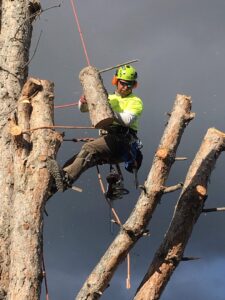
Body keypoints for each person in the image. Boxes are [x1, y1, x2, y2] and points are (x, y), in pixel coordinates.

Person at [47, 65, 144, 192]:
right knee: (77, 159)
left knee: (89, 148)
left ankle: (67, 177)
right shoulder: (108, 97)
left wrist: (107, 109)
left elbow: (127, 120)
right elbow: (84, 109)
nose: (126, 87)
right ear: (116, 81)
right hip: (108, 141)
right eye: (123, 83)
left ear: (134, 85)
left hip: (122, 141)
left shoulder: (135, 101)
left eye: (129, 85)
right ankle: (56, 185)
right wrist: (84, 102)